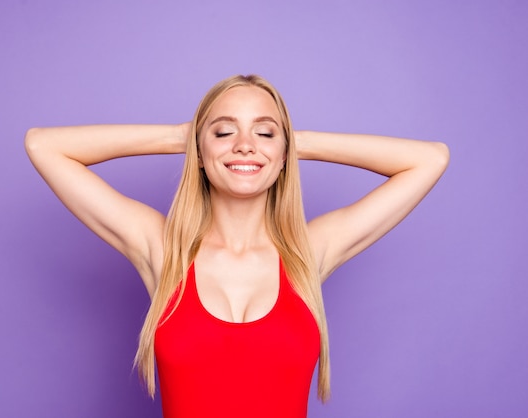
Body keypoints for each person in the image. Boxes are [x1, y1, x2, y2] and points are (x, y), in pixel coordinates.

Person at [25, 74, 449, 418]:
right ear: (198, 150)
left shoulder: (308, 252)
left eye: (264, 132)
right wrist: (182, 136)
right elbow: (44, 145)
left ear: (285, 155)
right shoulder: (163, 250)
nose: (244, 144)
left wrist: (294, 143)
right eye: (224, 131)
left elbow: (430, 158)